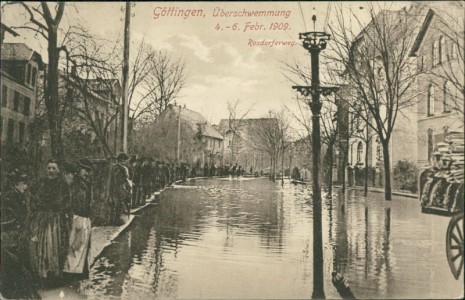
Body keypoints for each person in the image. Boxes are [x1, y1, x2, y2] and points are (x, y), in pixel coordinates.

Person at [21, 160, 71, 285]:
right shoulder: (40, 183)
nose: (51, 171)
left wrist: (57, 210)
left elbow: (66, 203)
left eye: (54, 168)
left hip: (56, 220)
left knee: (54, 246)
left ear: (58, 170)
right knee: (39, 246)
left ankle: (54, 275)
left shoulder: (63, 186)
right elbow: (32, 199)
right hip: (41, 219)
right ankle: (42, 274)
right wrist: (37, 208)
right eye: (49, 168)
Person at [63, 159, 93, 279]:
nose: (86, 173)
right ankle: (71, 274)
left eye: (88, 170)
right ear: (79, 170)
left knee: (82, 246)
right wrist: (76, 218)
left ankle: (79, 272)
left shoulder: (85, 183)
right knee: (75, 246)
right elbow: (72, 203)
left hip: (84, 217)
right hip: (77, 218)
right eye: (84, 170)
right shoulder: (74, 185)